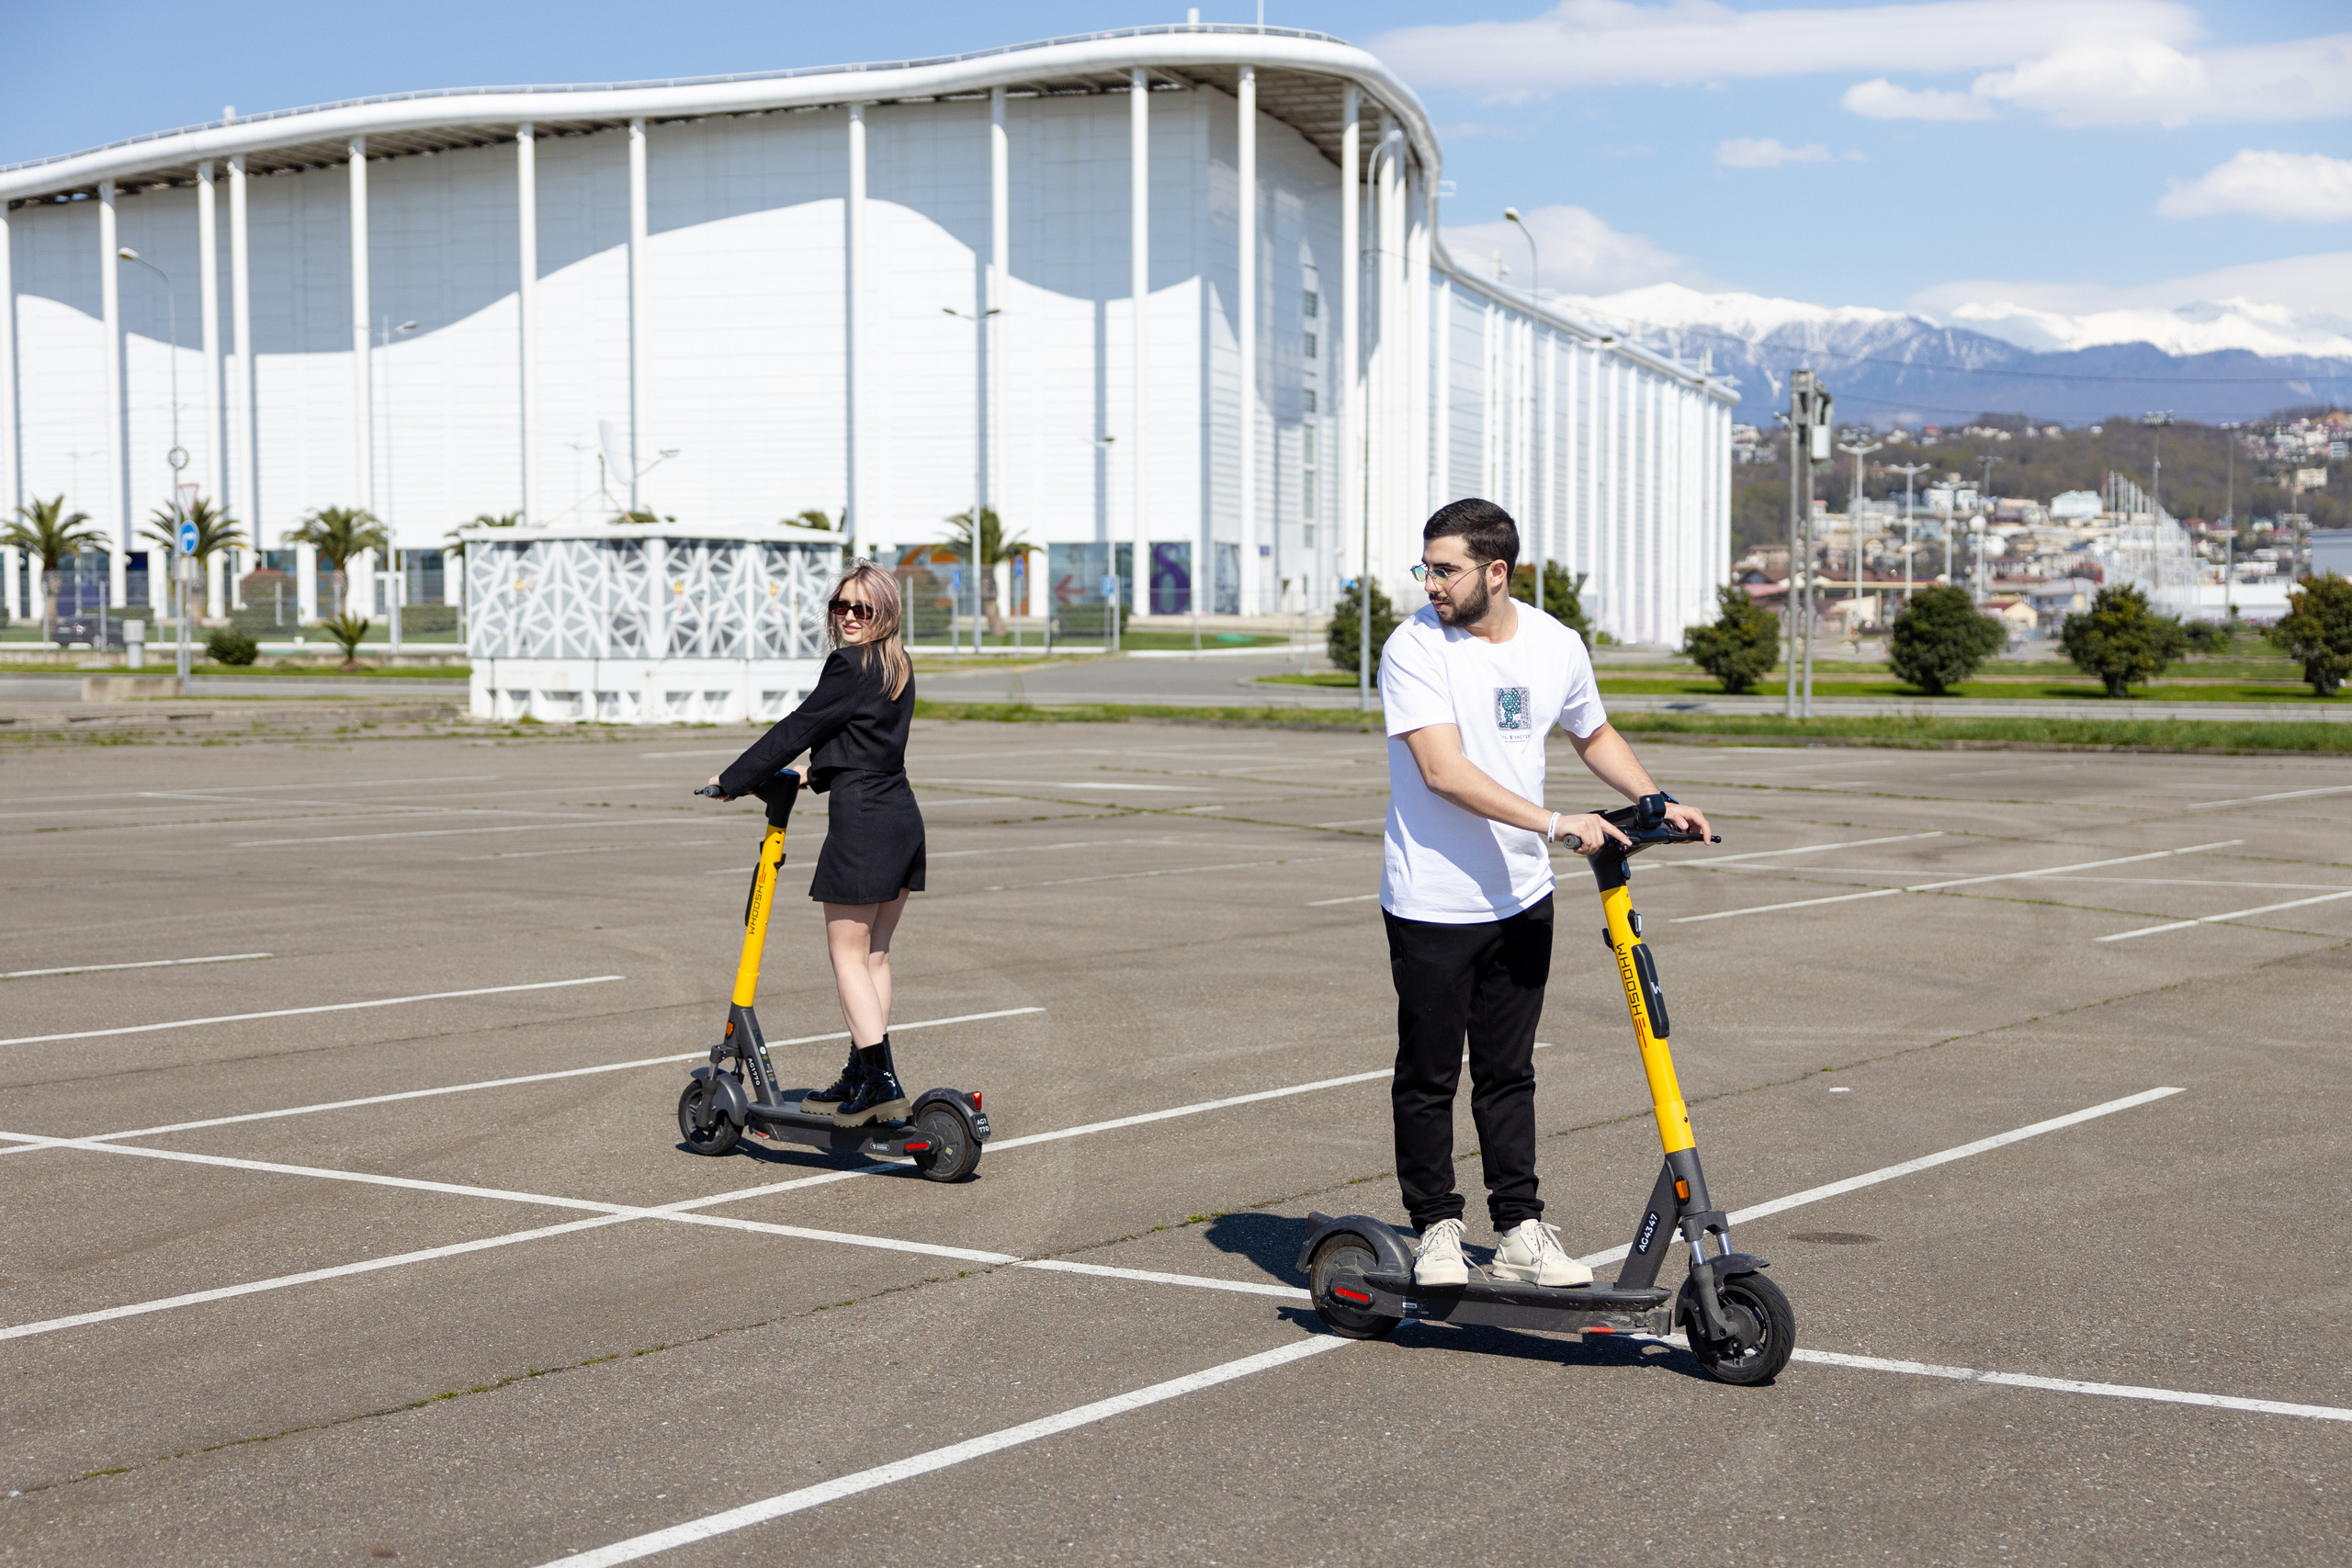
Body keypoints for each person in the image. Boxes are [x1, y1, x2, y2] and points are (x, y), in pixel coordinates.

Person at [1378, 498, 1711, 1289]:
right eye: (1425, 567)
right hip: (1433, 899)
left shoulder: (1555, 643)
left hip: (1521, 898)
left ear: (1497, 571)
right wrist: (1557, 821)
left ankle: (1521, 1227)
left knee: (1509, 1070)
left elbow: (1592, 733)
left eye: (1445, 568)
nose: (1431, 583)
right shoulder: (1413, 648)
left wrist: (1658, 800)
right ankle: (1435, 1228)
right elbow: (1442, 770)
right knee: (1430, 1073)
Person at [707, 561, 925, 1127]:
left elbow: (800, 725)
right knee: (874, 955)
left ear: (884, 613)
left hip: (863, 824)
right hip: (900, 816)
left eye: (863, 609)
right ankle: (862, 1072)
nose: (850, 617)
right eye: (841, 607)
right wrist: (816, 773)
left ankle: (879, 1080)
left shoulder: (850, 664)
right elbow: (865, 739)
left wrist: (735, 779)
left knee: (848, 957)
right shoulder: (896, 665)